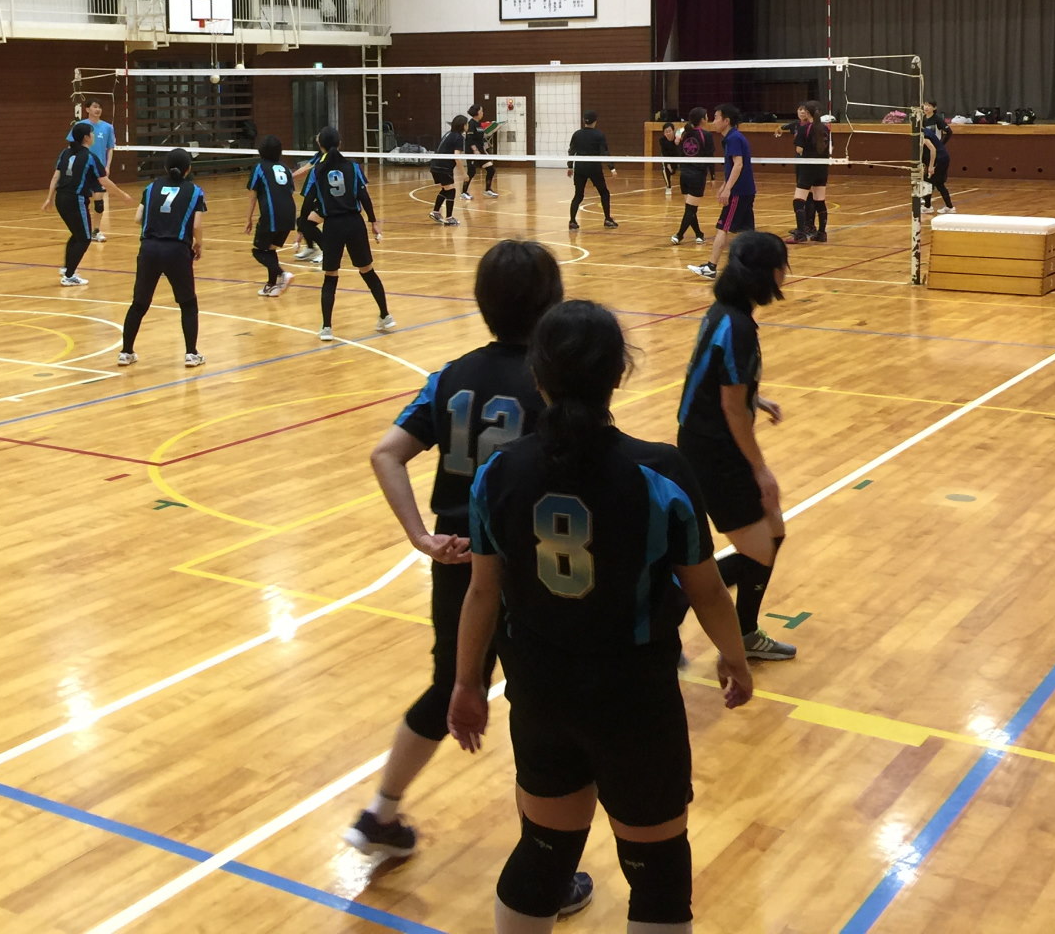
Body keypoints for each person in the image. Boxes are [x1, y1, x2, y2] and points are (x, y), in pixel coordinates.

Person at [449, 299, 754, 934]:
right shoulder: (660, 472)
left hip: (539, 691)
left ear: (539, 375)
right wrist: (733, 655)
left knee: (543, 854)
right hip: (633, 698)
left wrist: (466, 683)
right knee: (658, 874)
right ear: (619, 373)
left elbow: (481, 593)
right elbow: (705, 590)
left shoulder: (497, 473)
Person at [345, 240, 571, 872]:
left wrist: (421, 536)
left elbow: (385, 453)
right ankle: (545, 862)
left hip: (457, 561)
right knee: (539, 703)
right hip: (526, 567)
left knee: (450, 684)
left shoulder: (450, 376)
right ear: (552, 303)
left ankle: (381, 813)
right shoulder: (552, 386)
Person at [676, 230, 796, 662]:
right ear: (769, 273)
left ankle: (743, 630)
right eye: (783, 264)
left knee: (774, 532)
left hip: (706, 441)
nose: (787, 271)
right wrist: (761, 470)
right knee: (762, 547)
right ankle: (669, 603)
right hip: (714, 451)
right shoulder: (738, 326)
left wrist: (754, 397)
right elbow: (730, 407)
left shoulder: (725, 313)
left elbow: (716, 379)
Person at [305, 126, 396, 342]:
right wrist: (373, 222)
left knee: (330, 277)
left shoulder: (317, 171)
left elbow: (308, 202)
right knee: (367, 271)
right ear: (340, 143)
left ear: (320, 146)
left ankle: (327, 327)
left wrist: (303, 227)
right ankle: (386, 316)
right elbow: (364, 197)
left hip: (333, 226)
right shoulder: (353, 167)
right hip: (355, 224)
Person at [119, 148, 206, 368]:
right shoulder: (194, 191)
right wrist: (198, 243)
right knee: (188, 303)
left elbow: (138, 218)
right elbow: (196, 225)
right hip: (176, 250)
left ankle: (126, 352)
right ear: (188, 169)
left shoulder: (151, 187)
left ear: (166, 167)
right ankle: (191, 354)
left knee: (139, 303)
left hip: (149, 249)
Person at [43, 121, 129, 287]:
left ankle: (67, 268)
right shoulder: (89, 157)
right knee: (84, 238)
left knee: (77, 235)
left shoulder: (65, 153)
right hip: (75, 200)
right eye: (92, 133)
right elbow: (104, 180)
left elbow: (56, 177)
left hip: (61, 198)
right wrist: (122, 195)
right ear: (86, 137)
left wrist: (49, 198)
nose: (94, 135)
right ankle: (69, 276)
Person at [687, 104, 754, 280]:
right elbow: (733, 166)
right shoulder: (733, 137)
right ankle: (754, 268)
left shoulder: (733, 138)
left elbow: (738, 164)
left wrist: (729, 189)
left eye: (716, 117)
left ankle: (711, 267)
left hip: (739, 191)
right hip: (746, 190)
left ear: (726, 121)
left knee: (723, 228)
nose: (713, 121)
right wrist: (724, 185)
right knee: (747, 231)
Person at [244, 135, 299, 297]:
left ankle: (283, 274)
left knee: (259, 251)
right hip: (290, 213)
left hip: (272, 214)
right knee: (270, 249)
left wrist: (248, 218)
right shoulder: (285, 168)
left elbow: (253, 195)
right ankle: (272, 285)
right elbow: (290, 190)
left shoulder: (259, 168)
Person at [788, 101, 831, 245]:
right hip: (822, 168)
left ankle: (800, 234)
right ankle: (822, 233)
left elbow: (799, 149)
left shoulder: (804, 128)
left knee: (798, 200)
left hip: (807, 168)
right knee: (819, 200)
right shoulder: (826, 128)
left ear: (807, 113)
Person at [565, 111, 616, 231]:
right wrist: (612, 168)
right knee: (604, 193)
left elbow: (571, 151)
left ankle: (572, 221)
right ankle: (608, 219)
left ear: (584, 120)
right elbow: (604, 152)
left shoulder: (577, 134)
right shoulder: (599, 135)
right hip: (594, 167)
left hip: (580, 167)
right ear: (595, 121)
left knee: (578, 195)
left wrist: (570, 166)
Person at [77, 98, 117, 242]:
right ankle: (83, 230)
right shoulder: (80, 126)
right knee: (83, 202)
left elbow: (110, 148)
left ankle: (96, 231)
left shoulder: (108, 127)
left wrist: (107, 166)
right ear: (87, 109)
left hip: (98, 171)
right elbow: (72, 146)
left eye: (99, 107)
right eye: (94, 106)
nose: (97, 109)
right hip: (83, 169)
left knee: (99, 202)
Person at [670, 106, 711, 247]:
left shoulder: (685, 134)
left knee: (690, 208)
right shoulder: (705, 135)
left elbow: (679, 151)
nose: (708, 118)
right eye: (707, 116)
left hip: (684, 175)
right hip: (696, 176)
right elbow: (710, 157)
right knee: (691, 209)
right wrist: (713, 177)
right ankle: (679, 235)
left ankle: (699, 234)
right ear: (702, 119)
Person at [430, 114, 466, 225]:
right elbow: (457, 157)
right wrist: (464, 174)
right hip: (443, 167)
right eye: (466, 124)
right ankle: (449, 218)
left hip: (435, 165)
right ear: (463, 125)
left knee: (446, 189)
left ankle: (436, 212)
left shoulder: (448, 134)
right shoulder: (459, 137)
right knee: (451, 191)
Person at [919, 101, 953, 213]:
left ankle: (947, 207)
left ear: (934, 108)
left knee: (934, 181)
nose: (926, 107)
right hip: (930, 152)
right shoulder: (923, 121)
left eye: (929, 105)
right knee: (930, 180)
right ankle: (928, 205)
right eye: (925, 105)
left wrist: (940, 145)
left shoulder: (936, 120)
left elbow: (949, 132)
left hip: (937, 153)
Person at [461, 104, 498, 200]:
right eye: (481, 111)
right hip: (472, 152)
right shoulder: (471, 124)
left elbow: (481, 138)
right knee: (471, 172)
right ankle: (464, 192)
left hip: (481, 151)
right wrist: (475, 150)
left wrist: (484, 150)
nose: (482, 113)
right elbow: (469, 139)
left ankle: (488, 189)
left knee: (491, 169)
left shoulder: (479, 124)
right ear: (477, 112)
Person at [657, 116, 681, 192]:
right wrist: (668, 164)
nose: (668, 133)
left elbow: (683, 129)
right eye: (666, 132)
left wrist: (678, 138)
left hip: (679, 157)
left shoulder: (678, 137)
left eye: (670, 131)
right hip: (668, 157)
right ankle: (668, 186)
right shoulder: (662, 140)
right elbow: (664, 153)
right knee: (666, 169)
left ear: (673, 131)